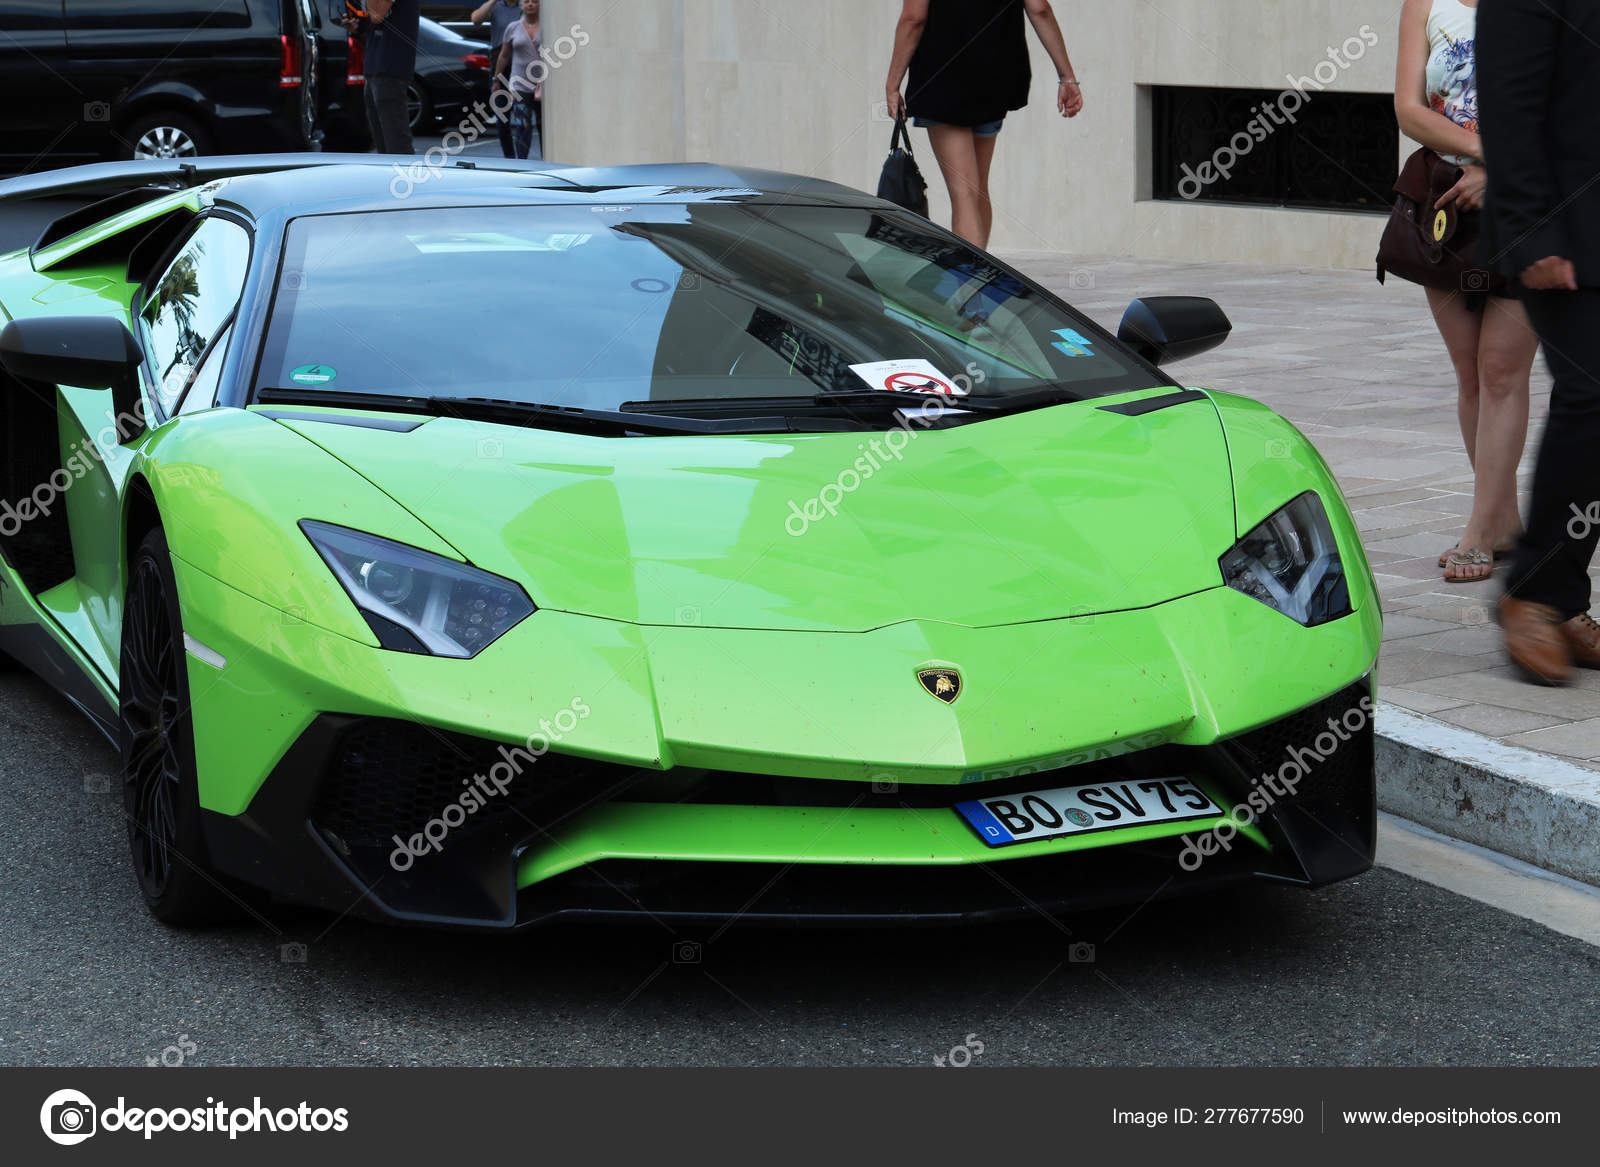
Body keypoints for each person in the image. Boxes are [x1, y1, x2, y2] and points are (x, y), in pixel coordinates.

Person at [1394, 0, 1538, 583]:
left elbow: (1563, 108)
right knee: (1470, 372)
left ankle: (1480, 531)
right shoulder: (1424, 5)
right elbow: (1408, 109)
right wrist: (1485, 155)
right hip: (1447, 204)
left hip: (1530, 202)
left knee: (1502, 370)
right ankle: (1502, 520)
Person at [1479, 0, 1600, 683]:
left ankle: (1562, 594)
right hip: (1562, 230)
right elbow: (1508, 104)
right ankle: (1532, 592)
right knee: (1591, 397)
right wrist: (1531, 229)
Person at [883, 0, 1082, 248]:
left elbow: (914, 18)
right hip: (996, 76)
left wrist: (892, 85)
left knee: (964, 195)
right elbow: (1039, 9)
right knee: (977, 190)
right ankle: (979, 277)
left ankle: (970, 283)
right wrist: (1067, 77)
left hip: (944, 78)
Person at [344, 0, 421, 155]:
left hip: (390, 66)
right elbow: (374, 21)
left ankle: (402, 174)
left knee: (395, 141)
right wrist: (356, 25)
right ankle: (389, 175)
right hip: (376, 65)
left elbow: (377, 15)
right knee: (382, 139)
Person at [471, 0, 520, 158]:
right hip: (500, 59)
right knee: (501, 112)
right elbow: (475, 19)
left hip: (521, 57)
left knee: (522, 111)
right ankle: (509, 157)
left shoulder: (524, 5)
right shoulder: (496, 6)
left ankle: (523, 156)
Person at [498, 0, 543, 160]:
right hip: (519, 85)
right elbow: (504, 55)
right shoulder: (513, 27)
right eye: (527, 1)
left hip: (542, 84)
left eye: (535, 1)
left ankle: (548, 160)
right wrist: (497, 79)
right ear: (521, 5)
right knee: (522, 124)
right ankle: (522, 161)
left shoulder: (547, 27)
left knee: (542, 124)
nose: (530, 4)